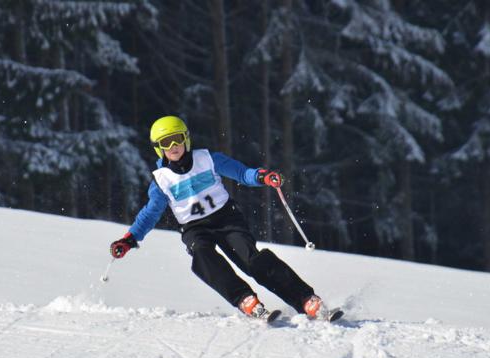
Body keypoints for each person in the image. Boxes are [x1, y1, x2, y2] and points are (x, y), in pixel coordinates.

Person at [109, 115, 329, 321]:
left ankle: (304, 299)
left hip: (226, 218)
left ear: (186, 139)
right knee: (202, 256)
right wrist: (129, 239)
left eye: (177, 139)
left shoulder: (208, 159)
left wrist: (262, 176)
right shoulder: (161, 180)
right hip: (194, 228)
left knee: (251, 260)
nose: (173, 146)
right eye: (166, 143)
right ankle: (245, 299)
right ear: (159, 148)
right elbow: (150, 213)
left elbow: (242, 173)